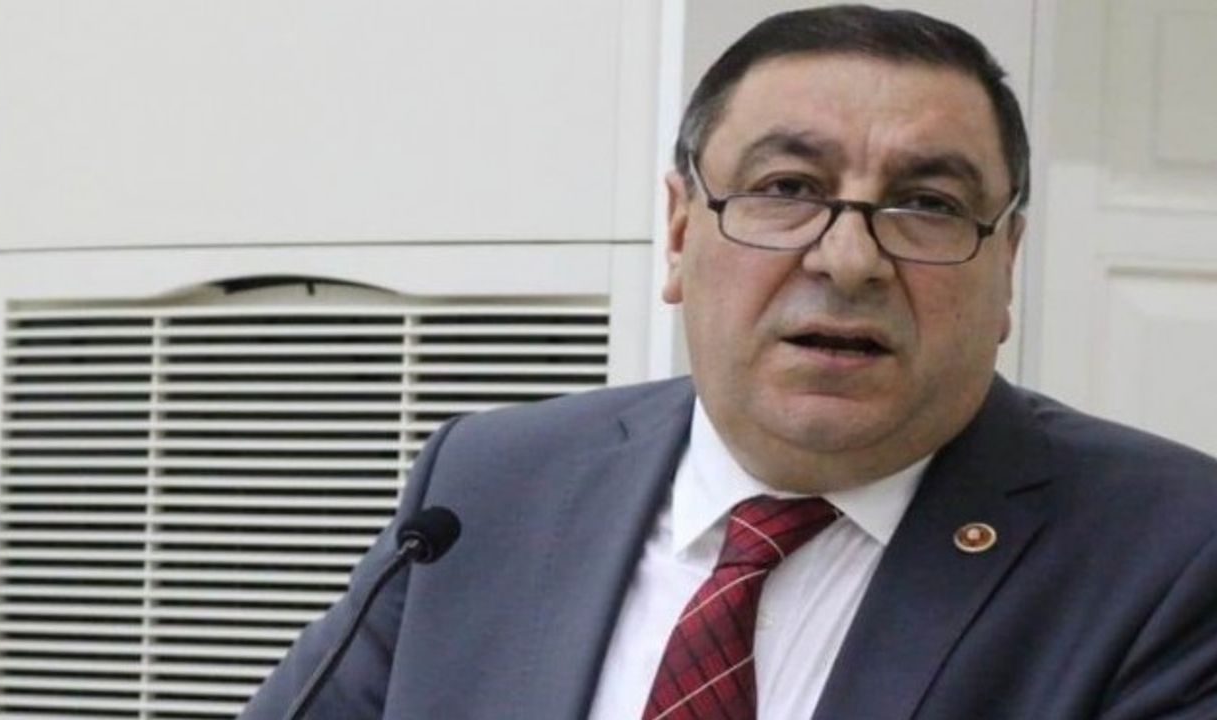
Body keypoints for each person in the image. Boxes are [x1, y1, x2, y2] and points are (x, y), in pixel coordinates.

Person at [242, 5, 1217, 719]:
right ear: (678, 234)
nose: (848, 260)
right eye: (786, 188)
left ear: (1005, 265)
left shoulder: (1170, 553)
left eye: (926, 205)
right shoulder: (489, 487)